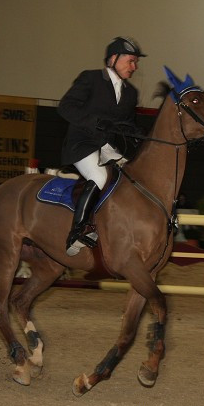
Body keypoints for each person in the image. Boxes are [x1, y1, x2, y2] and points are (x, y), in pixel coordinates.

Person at [58, 36, 146, 256]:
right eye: (131, 61)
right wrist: (95, 122)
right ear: (113, 58)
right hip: (84, 144)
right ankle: (77, 231)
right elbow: (66, 107)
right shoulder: (91, 79)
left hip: (111, 148)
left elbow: (128, 125)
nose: (134, 67)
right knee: (99, 177)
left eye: (136, 62)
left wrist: (141, 136)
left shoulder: (131, 93)